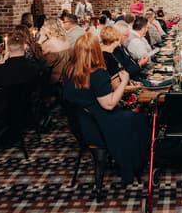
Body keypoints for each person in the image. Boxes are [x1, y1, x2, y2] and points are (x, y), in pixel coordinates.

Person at [62, 32, 149, 186]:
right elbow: (109, 104)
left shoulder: (69, 71)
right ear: (96, 50)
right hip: (100, 126)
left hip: (80, 125)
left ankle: (133, 161)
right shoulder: (97, 73)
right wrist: (124, 82)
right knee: (141, 119)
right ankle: (135, 164)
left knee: (134, 116)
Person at [39, 18, 73, 86]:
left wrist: (40, 40)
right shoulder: (66, 39)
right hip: (67, 77)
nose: (42, 28)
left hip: (53, 80)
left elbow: (39, 62)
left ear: (49, 28)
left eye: (44, 26)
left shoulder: (49, 43)